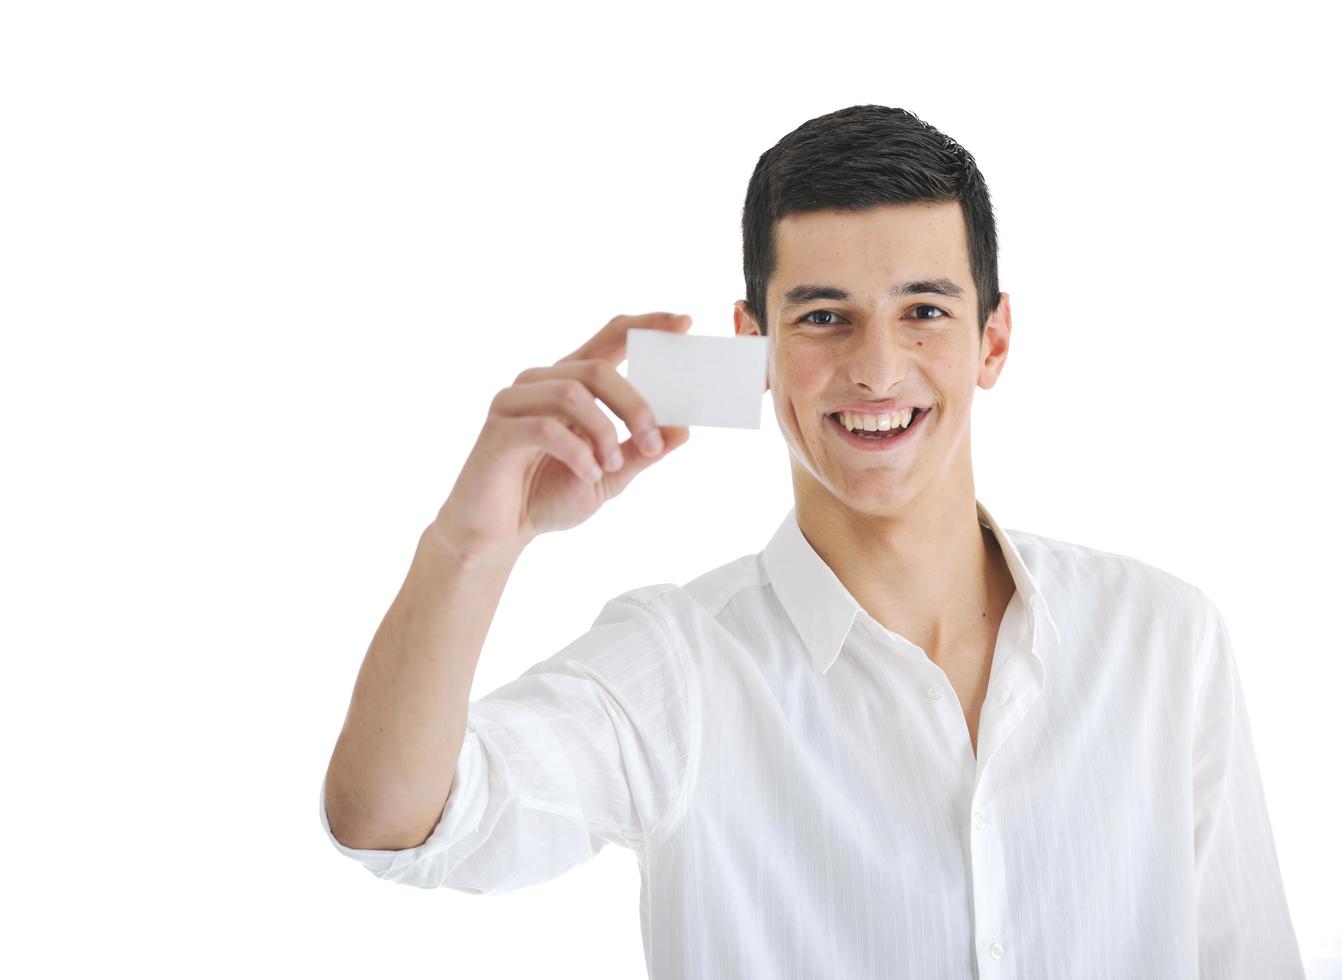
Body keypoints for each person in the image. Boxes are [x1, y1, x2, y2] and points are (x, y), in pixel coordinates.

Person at [319, 105, 1303, 978]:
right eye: (824, 317)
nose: (876, 368)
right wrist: (472, 542)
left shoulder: (1164, 638)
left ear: (992, 341)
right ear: (757, 343)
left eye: (925, 311)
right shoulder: (681, 668)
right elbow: (399, 821)